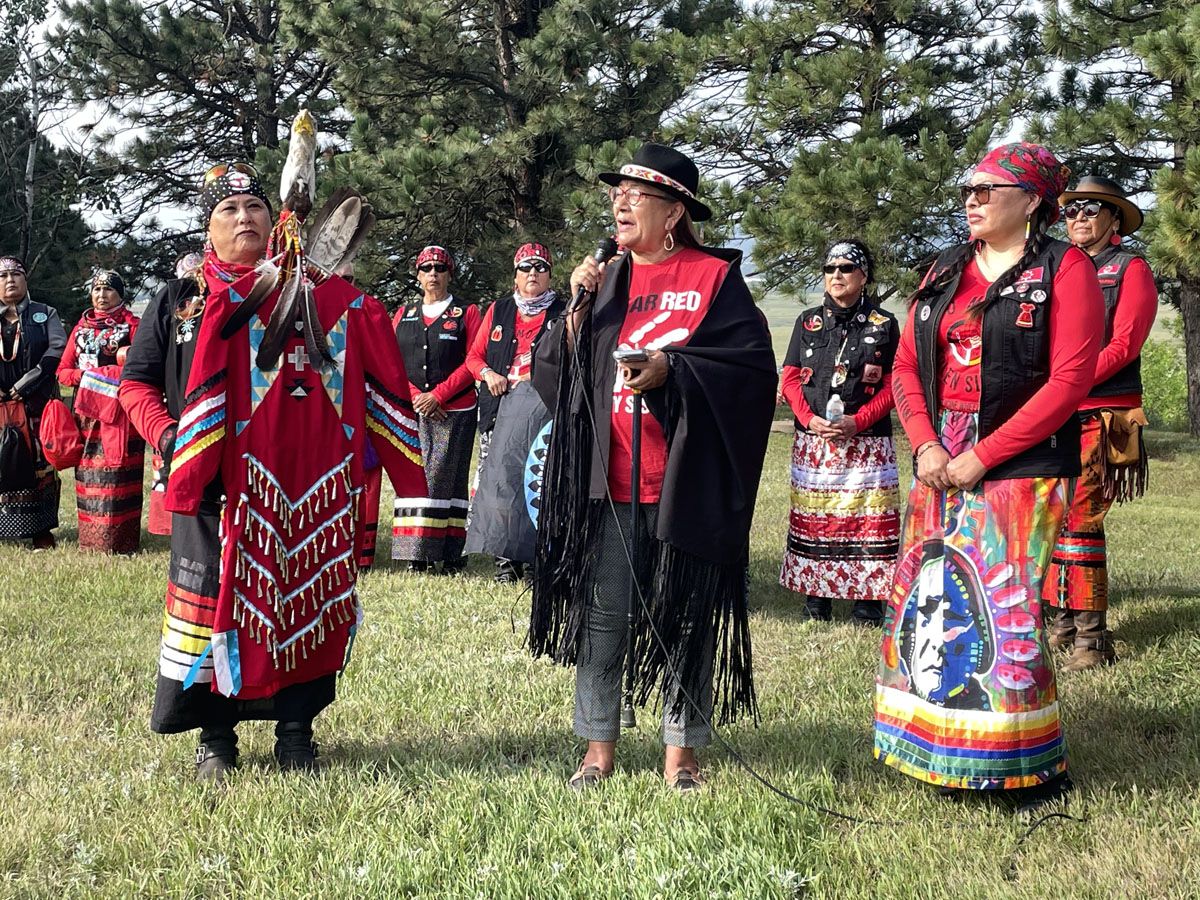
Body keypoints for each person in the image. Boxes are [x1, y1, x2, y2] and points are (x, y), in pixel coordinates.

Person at [530, 143, 777, 791]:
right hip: (606, 483)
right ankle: (596, 751)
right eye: (617, 192)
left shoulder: (713, 278)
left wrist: (673, 370)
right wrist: (574, 309)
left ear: (673, 213)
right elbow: (550, 373)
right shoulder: (602, 281)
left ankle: (682, 757)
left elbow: (750, 370)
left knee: (686, 618)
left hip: (682, 482)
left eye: (636, 194)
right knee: (604, 614)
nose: (620, 201)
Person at [874, 143, 1102, 812]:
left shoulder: (1067, 270)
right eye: (968, 189)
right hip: (938, 455)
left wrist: (984, 455)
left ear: (1032, 201)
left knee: (1008, 609)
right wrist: (923, 445)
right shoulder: (943, 270)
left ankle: (1017, 766)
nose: (971, 199)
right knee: (930, 595)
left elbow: (1069, 380)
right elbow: (906, 366)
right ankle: (931, 749)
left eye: (989, 189)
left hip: (1020, 462)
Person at [1042, 176, 1158, 671]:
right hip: (1052, 412)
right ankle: (1060, 622)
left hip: (1102, 413)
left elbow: (1125, 342)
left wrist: (1069, 381)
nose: (1079, 218)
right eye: (1071, 211)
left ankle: (1092, 637)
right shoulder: (1058, 269)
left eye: (1092, 210)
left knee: (1083, 521)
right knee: (1052, 518)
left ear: (1114, 219)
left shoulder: (1130, 269)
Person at [778, 239, 900, 625]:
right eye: (830, 269)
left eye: (846, 269)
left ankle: (868, 601)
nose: (836, 276)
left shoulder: (885, 325)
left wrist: (858, 421)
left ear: (863, 276)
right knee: (818, 518)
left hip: (866, 440)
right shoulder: (808, 320)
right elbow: (791, 375)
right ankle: (818, 596)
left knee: (868, 521)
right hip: (815, 439)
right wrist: (807, 418)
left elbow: (895, 383)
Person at [464, 242, 564, 583]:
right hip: (499, 412)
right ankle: (505, 563)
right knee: (500, 485)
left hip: (545, 415)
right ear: (515, 276)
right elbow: (474, 357)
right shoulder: (499, 310)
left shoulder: (564, 312)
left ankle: (539, 560)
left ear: (550, 274)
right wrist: (489, 374)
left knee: (541, 484)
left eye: (539, 267)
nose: (532, 273)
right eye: (525, 267)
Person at [390, 246, 482, 574]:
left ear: (449, 274)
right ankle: (418, 554)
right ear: (417, 275)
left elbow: (474, 359)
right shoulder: (403, 314)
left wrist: (439, 396)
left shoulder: (466, 312)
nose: (433, 274)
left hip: (454, 409)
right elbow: (392, 363)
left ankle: (450, 552)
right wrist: (417, 397)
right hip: (414, 409)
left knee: (447, 478)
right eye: (426, 268)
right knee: (416, 478)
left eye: (440, 268)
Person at [57, 270, 144, 553]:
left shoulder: (133, 327)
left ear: (120, 294)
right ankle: (92, 540)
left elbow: (143, 366)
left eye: (108, 290)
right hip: (86, 414)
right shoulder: (80, 329)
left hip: (121, 412)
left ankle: (122, 540)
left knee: (120, 471)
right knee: (88, 475)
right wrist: (84, 378)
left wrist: (109, 374)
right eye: (96, 290)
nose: (102, 296)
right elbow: (63, 371)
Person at [0, 255, 66, 549]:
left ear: (26, 280)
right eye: (2, 276)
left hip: (35, 404)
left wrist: (27, 383)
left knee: (40, 466)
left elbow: (56, 349)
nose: (10, 280)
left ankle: (40, 530)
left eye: (16, 274)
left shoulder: (45, 313)